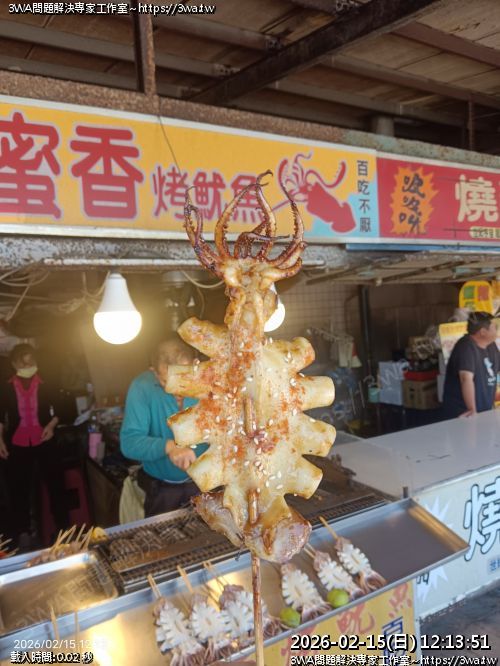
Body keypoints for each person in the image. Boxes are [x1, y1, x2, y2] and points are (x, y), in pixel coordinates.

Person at [120, 337, 207, 516]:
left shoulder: (210, 382)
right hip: (162, 490)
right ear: (154, 372)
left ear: (195, 365)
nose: (177, 390)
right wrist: (169, 447)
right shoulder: (142, 387)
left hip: (206, 484)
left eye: (184, 379)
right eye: (166, 382)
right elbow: (129, 443)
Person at [0, 343, 68, 548]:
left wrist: (51, 426)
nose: (28, 366)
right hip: (17, 442)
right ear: (14, 364)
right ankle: (23, 533)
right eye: (23, 363)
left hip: (44, 439)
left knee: (56, 485)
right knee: (18, 489)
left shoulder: (46, 383)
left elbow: (62, 408)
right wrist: (0, 440)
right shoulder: (5, 387)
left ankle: (64, 530)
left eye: (31, 362)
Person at [442, 311, 499, 419]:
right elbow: (466, 379)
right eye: (494, 327)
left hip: (483, 410)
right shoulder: (466, 347)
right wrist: (471, 409)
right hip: (462, 413)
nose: (497, 329)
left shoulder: (491, 346)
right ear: (483, 332)